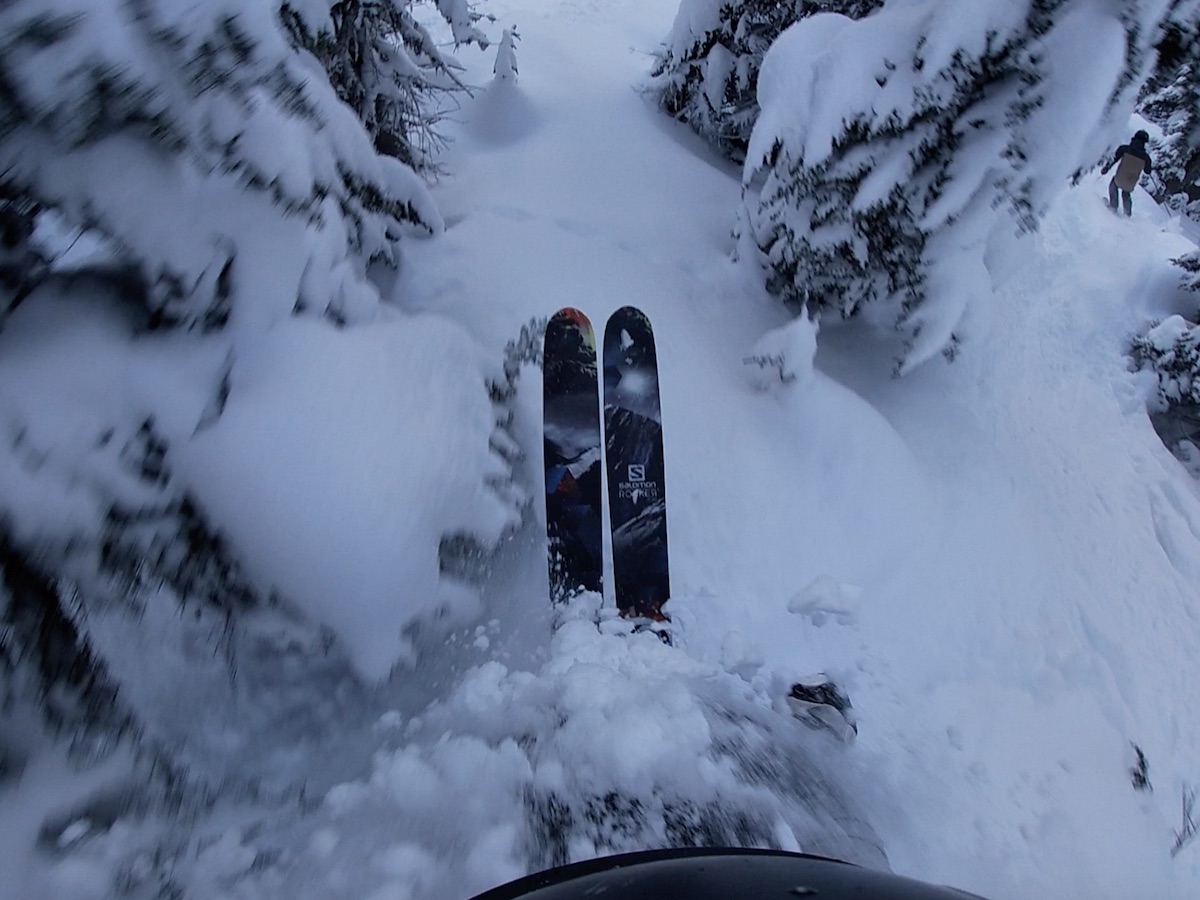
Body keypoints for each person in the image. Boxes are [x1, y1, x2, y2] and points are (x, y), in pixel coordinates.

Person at [1101, 130, 1153, 216]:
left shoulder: (1124, 149)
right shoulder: (1146, 157)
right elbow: (1147, 171)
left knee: (1113, 185)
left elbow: (1114, 159)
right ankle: (1127, 213)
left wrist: (1106, 169)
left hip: (1119, 178)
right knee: (1126, 192)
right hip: (1131, 182)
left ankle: (1113, 206)